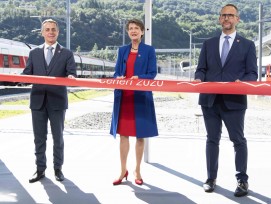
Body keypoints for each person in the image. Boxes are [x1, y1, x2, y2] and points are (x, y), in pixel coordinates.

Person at [194, 4, 258, 197]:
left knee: (238, 140)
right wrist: (198, 79)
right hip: (210, 100)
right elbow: (201, 69)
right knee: (211, 140)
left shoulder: (247, 45)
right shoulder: (208, 44)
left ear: (237, 19)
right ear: (219, 19)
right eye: (224, 15)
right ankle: (211, 178)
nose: (227, 18)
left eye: (231, 15)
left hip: (234, 101)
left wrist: (242, 82)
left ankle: (242, 180)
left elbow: (252, 73)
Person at [23, 19, 77, 183]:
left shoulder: (67, 53)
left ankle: (58, 169)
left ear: (58, 32)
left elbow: (71, 73)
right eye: (47, 29)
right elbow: (26, 74)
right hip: (38, 101)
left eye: (53, 29)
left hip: (57, 101)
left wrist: (71, 77)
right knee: (39, 138)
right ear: (42, 32)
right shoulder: (34, 53)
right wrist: (18, 79)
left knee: (58, 137)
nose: (51, 32)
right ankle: (40, 170)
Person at [110, 19, 158, 186]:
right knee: (123, 135)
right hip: (124, 97)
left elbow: (152, 73)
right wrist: (119, 78)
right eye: (130, 29)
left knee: (140, 135)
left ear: (142, 31)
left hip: (140, 97)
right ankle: (123, 170)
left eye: (136, 28)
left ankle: (137, 170)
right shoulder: (122, 50)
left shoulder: (149, 50)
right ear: (128, 32)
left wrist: (139, 78)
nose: (133, 31)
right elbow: (116, 72)